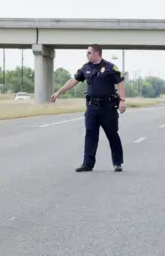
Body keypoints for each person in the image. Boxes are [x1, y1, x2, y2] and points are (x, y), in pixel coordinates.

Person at [51, 44, 126, 172]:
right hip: (92, 108)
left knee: (112, 134)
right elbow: (73, 81)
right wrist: (59, 92)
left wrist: (122, 101)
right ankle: (88, 163)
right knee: (90, 135)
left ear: (96, 53)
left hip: (108, 108)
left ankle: (117, 162)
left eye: (89, 53)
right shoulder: (86, 68)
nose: (87, 55)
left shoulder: (110, 67)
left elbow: (120, 83)